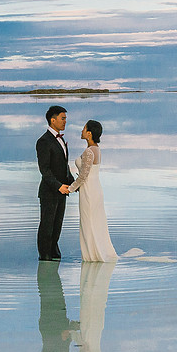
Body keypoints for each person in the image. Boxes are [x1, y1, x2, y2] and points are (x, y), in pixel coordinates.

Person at [68, 119, 118, 262]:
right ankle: (95, 253)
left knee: (88, 222)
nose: (82, 131)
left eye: (84, 129)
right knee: (94, 222)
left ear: (89, 133)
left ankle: (92, 256)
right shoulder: (96, 149)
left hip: (89, 191)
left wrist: (70, 189)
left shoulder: (89, 151)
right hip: (94, 189)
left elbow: (84, 175)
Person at [37, 105, 74, 261]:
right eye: (62, 118)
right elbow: (45, 170)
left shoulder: (61, 139)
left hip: (62, 191)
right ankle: (45, 257)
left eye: (65, 118)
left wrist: (74, 182)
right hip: (49, 191)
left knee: (57, 226)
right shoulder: (44, 141)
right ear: (53, 120)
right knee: (47, 226)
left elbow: (64, 166)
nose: (65, 121)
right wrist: (58, 186)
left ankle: (54, 254)